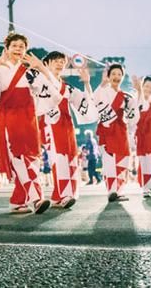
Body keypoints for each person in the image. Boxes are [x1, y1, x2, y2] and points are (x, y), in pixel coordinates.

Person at [0, 33, 60, 214]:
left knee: (31, 159)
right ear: (7, 48)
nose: (18, 50)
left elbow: (54, 89)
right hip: (9, 118)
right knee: (19, 157)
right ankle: (37, 198)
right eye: (15, 46)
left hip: (28, 119)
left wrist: (42, 68)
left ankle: (18, 200)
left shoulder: (29, 72)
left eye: (22, 47)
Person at [40, 51, 97, 209]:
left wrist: (86, 83)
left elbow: (85, 102)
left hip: (67, 125)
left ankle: (60, 196)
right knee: (58, 159)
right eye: (56, 61)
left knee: (70, 158)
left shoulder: (67, 88)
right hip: (50, 125)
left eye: (62, 62)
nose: (60, 64)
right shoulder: (40, 83)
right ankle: (64, 195)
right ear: (46, 64)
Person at [93, 64, 139, 202]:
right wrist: (102, 84)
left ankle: (118, 190)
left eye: (119, 74)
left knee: (123, 161)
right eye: (113, 74)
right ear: (108, 76)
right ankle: (111, 191)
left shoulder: (126, 96)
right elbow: (94, 101)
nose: (116, 77)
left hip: (120, 130)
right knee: (109, 162)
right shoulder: (103, 90)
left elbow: (134, 115)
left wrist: (139, 91)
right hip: (107, 130)